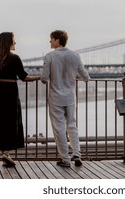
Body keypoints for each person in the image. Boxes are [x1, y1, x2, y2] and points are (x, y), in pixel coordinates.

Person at [0, 32, 40, 167]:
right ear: (8, 42)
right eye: (14, 41)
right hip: (10, 92)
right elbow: (24, 77)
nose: (15, 43)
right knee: (10, 121)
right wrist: (39, 77)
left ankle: (5, 153)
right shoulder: (14, 58)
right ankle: (6, 153)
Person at [40, 30, 90, 167]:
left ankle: (65, 159)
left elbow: (44, 79)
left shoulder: (49, 56)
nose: (49, 41)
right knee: (72, 126)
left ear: (57, 40)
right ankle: (77, 154)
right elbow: (85, 77)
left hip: (56, 98)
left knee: (59, 128)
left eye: (51, 39)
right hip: (70, 97)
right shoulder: (75, 55)